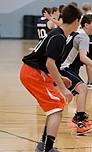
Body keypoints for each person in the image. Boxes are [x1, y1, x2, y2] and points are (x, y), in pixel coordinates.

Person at [20, 5, 82, 152]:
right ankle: (47, 148)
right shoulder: (59, 37)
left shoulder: (57, 33)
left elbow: (47, 63)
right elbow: (49, 63)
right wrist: (63, 88)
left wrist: (60, 78)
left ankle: (43, 145)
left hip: (35, 72)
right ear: (76, 21)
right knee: (56, 109)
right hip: (33, 74)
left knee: (57, 105)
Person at [60, 14, 92, 134]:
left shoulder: (76, 33)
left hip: (65, 67)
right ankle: (79, 119)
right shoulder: (83, 36)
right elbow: (83, 57)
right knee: (83, 88)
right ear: (86, 25)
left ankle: (78, 116)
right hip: (64, 68)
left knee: (77, 92)